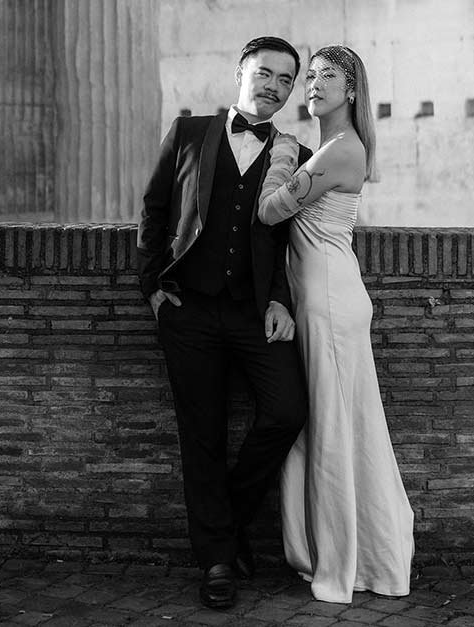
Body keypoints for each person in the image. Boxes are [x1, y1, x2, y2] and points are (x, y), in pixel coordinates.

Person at [138, 36, 313, 611]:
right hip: (187, 309)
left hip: (254, 312)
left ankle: (229, 523)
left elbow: (292, 241)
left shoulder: (295, 153)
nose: (275, 87)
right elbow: (154, 209)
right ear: (240, 72)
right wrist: (152, 285)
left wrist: (281, 300)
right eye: (265, 73)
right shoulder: (188, 133)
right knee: (202, 434)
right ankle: (217, 560)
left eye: (286, 80)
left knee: (287, 410)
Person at [258, 45, 414, 604]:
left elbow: (270, 210)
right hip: (318, 298)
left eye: (328, 76)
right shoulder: (330, 147)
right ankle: (329, 551)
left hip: (329, 302)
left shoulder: (342, 149)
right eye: (311, 76)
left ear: (351, 90)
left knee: (334, 433)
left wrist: (280, 154)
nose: (314, 85)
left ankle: (347, 563)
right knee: (328, 428)